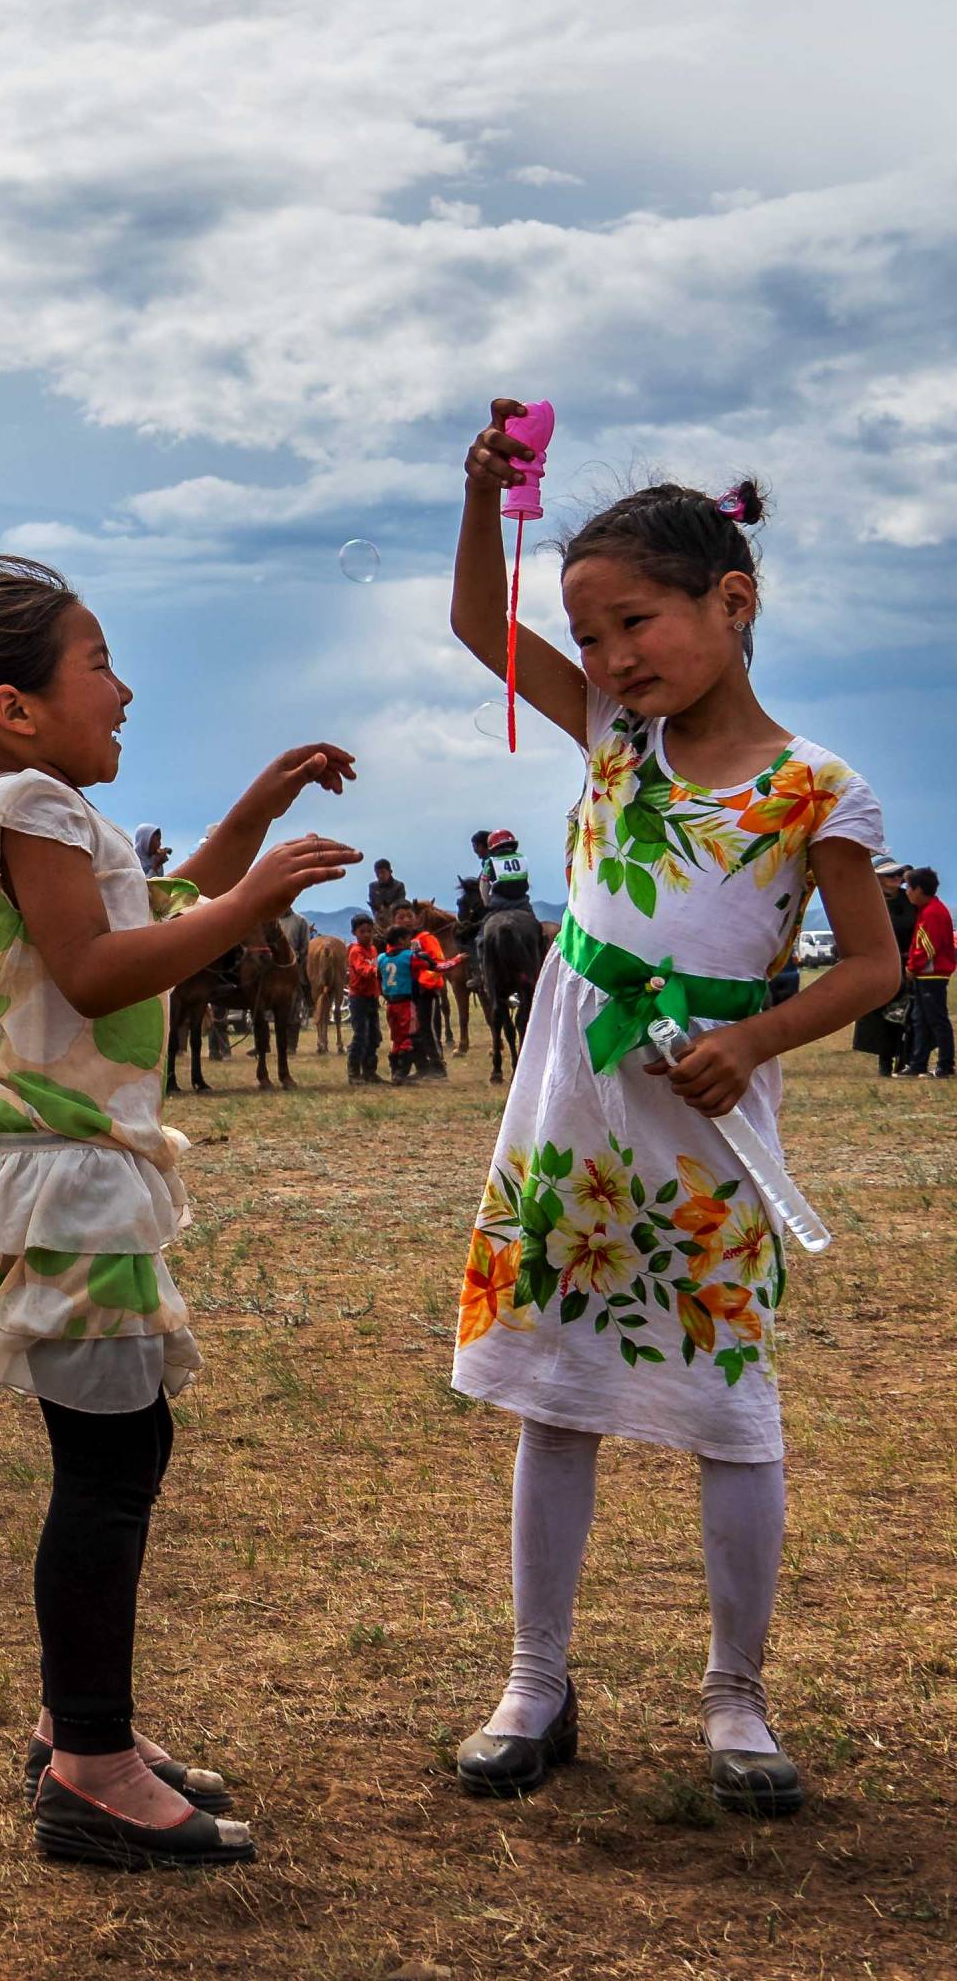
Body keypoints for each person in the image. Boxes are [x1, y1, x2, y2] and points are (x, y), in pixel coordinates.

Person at [0, 551, 358, 1868]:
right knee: (113, 1470)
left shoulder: (50, 810)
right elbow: (99, 961)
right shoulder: (32, 801)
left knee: (115, 1459)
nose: (124, 689)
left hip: (73, 1174)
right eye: (99, 662)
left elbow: (160, 917)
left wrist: (255, 813)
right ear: (17, 706)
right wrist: (249, 901)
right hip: (66, 1182)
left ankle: (90, 1730)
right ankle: (94, 1764)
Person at [448, 401, 897, 1815]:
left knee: (729, 1412)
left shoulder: (812, 789)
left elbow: (876, 968)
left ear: (733, 598)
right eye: (588, 638)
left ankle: (737, 1701)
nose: (610, 658)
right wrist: (480, 502)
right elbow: (475, 624)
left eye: (635, 622)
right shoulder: (607, 742)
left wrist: (756, 1034)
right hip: (573, 1114)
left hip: (704, 1125)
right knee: (553, 1396)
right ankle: (535, 1683)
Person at [851, 857, 915, 1076]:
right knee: (881, 1016)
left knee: (909, 1014)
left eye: (899, 874)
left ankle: (906, 1060)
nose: (897, 878)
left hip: (909, 965)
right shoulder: (869, 902)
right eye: (891, 875)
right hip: (880, 965)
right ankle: (885, 1062)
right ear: (877, 878)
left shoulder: (911, 900)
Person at [899, 866, 954, 1078]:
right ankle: (917, 1064)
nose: (907, 892)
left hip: (933, 975)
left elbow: (928, 946)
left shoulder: (933, 912)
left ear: (919, 889)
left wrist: (912, 966)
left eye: (909, 888)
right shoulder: (926, 910)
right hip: (925, 975)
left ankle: (945, 1065)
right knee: (920, 1020)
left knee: (937, 1020)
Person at [393, 904, 451, 1078]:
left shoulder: (425, 938)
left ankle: (438, 1066)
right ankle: (422, 1067)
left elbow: (437, 962)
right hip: (405, 994)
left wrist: (424, 982)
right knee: (413, 1031)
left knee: (429, 1028)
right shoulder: (393, 943)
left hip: (426, 992)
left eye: (409, 916)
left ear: (416, 918)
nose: (406, 920)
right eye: (401, 917)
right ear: (394, 920)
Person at [375, 923, 423, 1082]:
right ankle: (401, 1073)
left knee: (396, 1039)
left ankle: (394, 1070)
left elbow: (379, 979)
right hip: (405, 1003)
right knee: (410, 1037)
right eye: (408, 938)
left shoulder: (381, 958)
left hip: (390, 1004)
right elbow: (430, 965)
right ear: (401, 940)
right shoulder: (409, 955)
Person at [345, 915, 383, 1084]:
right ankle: (353, 1072)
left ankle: (370, 1071)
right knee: (360, 1035)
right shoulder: (355, 951)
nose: (367, 935)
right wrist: (377, 970)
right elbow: (362, 969)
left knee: (374, 1035)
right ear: (354, 933)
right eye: (362, 931)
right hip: (358, 998)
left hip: (371, 997)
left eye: (369, 931)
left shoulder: (373, 950)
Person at [478, 828, 533, 914]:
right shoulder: (522, 858)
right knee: (534, 922)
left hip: (499, 902)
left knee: (485, 923)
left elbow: (484, 885)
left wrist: (486, 903)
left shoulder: (490, 861)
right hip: (522, 902)